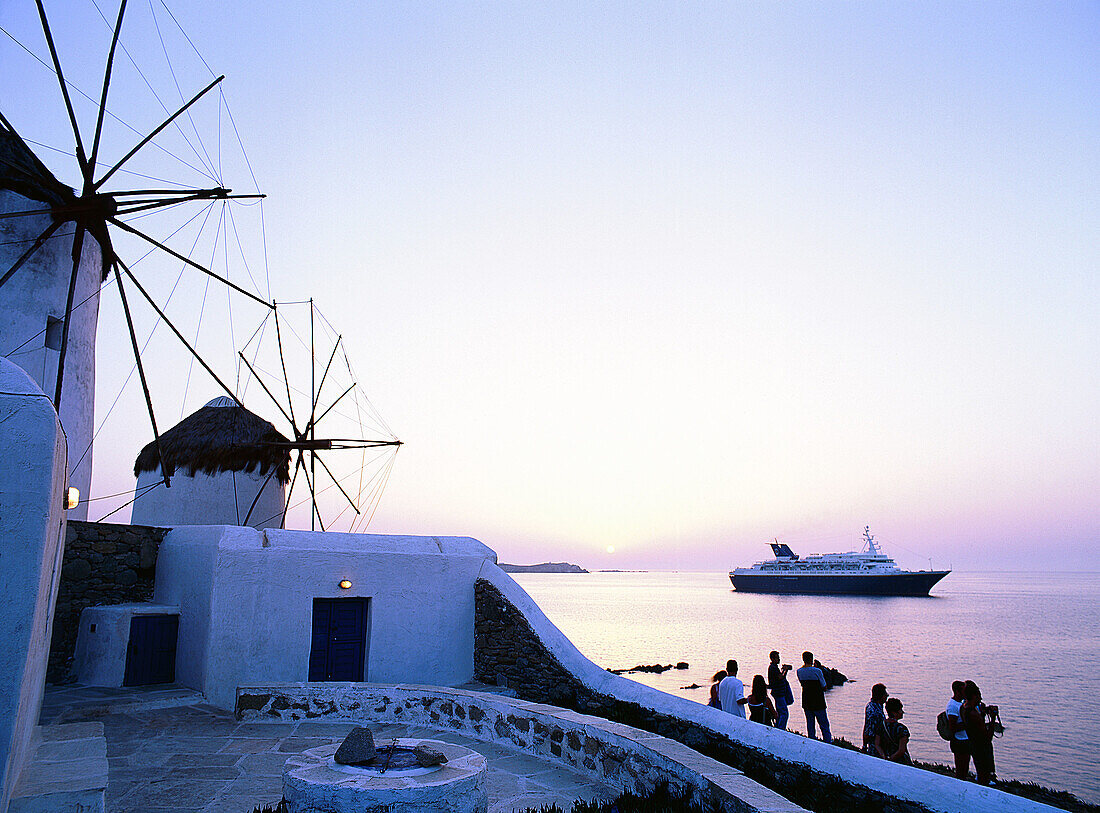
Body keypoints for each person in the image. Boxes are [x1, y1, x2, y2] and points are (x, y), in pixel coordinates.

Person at [961, 681, 997, 785]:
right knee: (984, 774)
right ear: (974, 696)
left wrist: (982, 714)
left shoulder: (963, 707)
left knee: (980, 771)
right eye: (979, 696)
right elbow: (987, 737)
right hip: (981, 747)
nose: (980, 699)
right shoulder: (973, 713)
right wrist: (993, 718)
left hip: (973, 744)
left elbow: (974, 727)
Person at [796, 651, 831, 742]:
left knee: (810, 724)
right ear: (811, 659)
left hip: (806, 701)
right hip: (818, 701)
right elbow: (824, 686)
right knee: (824, 725)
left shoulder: (799, 671)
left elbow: (802, 684)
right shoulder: (817, 671)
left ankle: (811, 741)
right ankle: (828, 743)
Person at [946, 680, 971, 779]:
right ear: (957, 691)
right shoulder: (953, 706)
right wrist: (968, 724)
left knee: (965, 768)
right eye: (964, 691)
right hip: (959, 741)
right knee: (961, 769)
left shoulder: (961, 704)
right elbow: (953, 727)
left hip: (965, 739)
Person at [875, 698, 912, 764]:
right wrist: (890, 759)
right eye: (900, 710)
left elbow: (877, 744)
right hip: (901, 762)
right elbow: (901, 750)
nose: (902, 712)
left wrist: (884, 757)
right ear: (894, 713)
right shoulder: (902, 729)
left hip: (884, 758)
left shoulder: (881, 725)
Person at [767, 651, 794, 730]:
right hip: (779, 693)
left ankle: (778, 727)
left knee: (780, 711)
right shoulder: (773, 668)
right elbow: (780, 678)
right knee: (784, 713)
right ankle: (781, 729)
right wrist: (785, 670)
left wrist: (784, 670)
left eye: (778, 658)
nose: (778, 659)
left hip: (778, 692)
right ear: (772, 658)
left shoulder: (774, 667)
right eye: (776, 658)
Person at [863, 683, 888, 756]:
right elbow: (868, 731)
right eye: (885, 693)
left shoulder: (876, 706)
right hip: (875, 747)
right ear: (881, 696)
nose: (887, 695)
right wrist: (865, 746)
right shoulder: (874, 711)